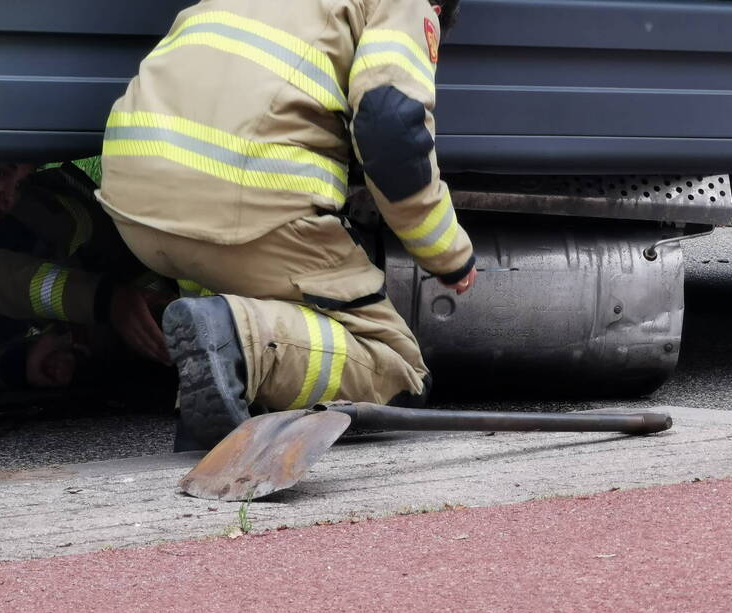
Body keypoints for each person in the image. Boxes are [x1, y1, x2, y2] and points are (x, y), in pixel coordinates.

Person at [98, 0, 476, 449]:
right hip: (240, 200)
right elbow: (391, 128)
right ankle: (242, 343)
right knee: (398, 374)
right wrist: (448, 253)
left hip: (130, 194)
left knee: (224, 284)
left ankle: (212, 400)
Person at [0, 159, 172, 392]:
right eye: (0, 172)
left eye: (20, 183)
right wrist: (104, 300)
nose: (9, 196)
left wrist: (15, 364)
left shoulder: (35, 219)